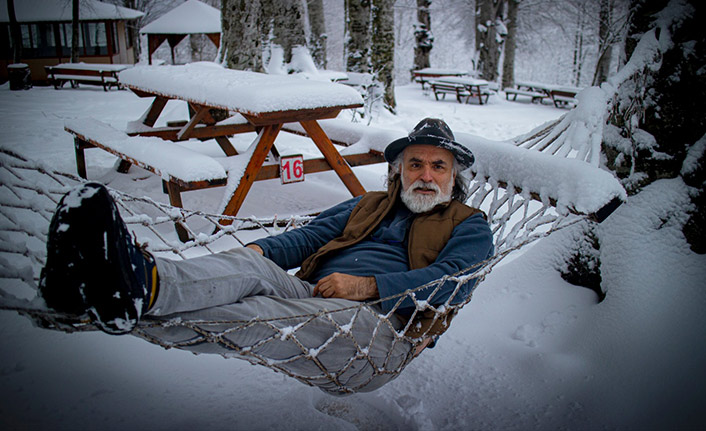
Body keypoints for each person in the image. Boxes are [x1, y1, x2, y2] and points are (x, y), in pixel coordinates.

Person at [39, 118, 494, 393]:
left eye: (439, 166)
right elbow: (306, 237)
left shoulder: (469, 223)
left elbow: (456, 282)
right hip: (311, 291)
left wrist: (367, 287)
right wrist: (251, 256)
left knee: (260, 314)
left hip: (377, 331)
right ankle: (141, 283)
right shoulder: (365, 204)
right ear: (398, 171)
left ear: (454, 178)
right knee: (248, 266)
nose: (426, 175)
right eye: (416, 163)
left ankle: (114, 299)